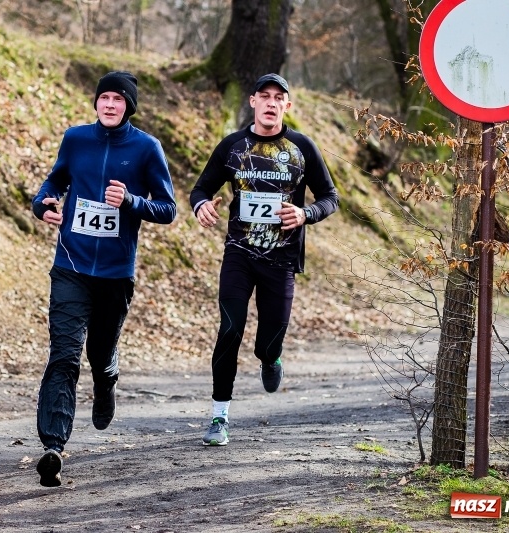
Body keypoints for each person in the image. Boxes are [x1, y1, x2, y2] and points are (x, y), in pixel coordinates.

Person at [31, 71, 176, 486]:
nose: (110, 105)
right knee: (64, 355)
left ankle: (107, 378)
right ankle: (53, 447)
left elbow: (168, 209)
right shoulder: (76, 139)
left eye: (118, 99)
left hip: (115, 274)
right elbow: (53, 181)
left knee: (99, 353)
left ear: (129, 105)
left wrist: (131, 201)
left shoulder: (147, 148)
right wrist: (43, 204)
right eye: (104, 98)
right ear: (96, 103)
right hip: (71, 266)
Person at [190, 73, 339, 446]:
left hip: (282, 259)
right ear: (253, 102)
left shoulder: (302, 147)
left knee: (270, 338)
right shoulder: (232, 146)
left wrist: (306, 214)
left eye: (279, 98)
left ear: (287, 106)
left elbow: (330, 197)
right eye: (265, 96)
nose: (271, 103)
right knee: (229, 328)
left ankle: (270, 358)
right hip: (239, 254)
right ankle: (219, 418)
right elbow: (201, 188)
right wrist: (201, 205)